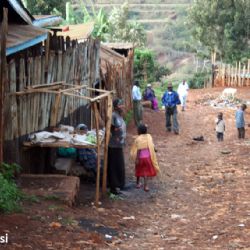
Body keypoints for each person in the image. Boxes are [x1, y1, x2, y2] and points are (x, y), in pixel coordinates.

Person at [130, 124, 160, 192]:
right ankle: (146, 186)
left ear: (139, 131)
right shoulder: (149, 137)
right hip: (147, 158)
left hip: (140, 158)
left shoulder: (138, 138)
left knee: (138, 170)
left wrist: (137, 159)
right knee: (146, 172)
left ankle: (137, 183)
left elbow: (138, 149)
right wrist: (155, 149)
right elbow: (152, 144)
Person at [107, 98, 126, 195]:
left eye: (122, 105)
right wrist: (116, 130)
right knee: (114, 166)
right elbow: (109, 127)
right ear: (115, 107)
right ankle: (113, 187)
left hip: (119, 145)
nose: (122, 106)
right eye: (120, 105)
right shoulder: (113, 115)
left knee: (119, 166)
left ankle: (119, 185)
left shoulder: (119, 115)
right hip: (113, 145)